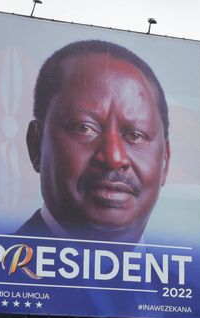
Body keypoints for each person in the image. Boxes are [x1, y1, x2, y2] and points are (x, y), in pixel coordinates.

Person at [22, 40, 170, 242]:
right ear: (36, 145)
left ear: (165, 162)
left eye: (135, 135)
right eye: (84, 128)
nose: (113, 157)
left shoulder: (182, 274)